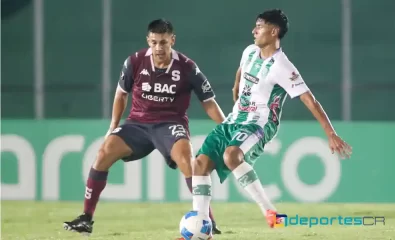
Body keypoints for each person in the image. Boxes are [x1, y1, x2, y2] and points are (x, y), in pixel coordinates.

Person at [190, 8, 353, 231]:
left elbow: (309, 100)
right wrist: (236, 91)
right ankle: (202, 225)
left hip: (260, 123)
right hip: (234, 120)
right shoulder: (249, 51)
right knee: (199, 164)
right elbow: (240, 75)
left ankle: (270, 212)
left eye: (259, 26)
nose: (253, 30)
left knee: (232, 155)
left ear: (274, 31)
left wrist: (330, 132)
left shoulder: (282, 67)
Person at [63, 18, 226, 236]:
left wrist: (226, 128)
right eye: (154, 42)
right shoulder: (135, 61)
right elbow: (121, 94)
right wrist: (113, 126)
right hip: (137, 124)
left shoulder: (187, 67)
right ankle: (86, 218)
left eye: (164, 42)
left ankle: (207, 220)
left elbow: (208, 102)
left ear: (172, 41)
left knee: (188, 162)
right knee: (103, 154)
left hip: (171, 123)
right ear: (148, 41)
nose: (159, 47)